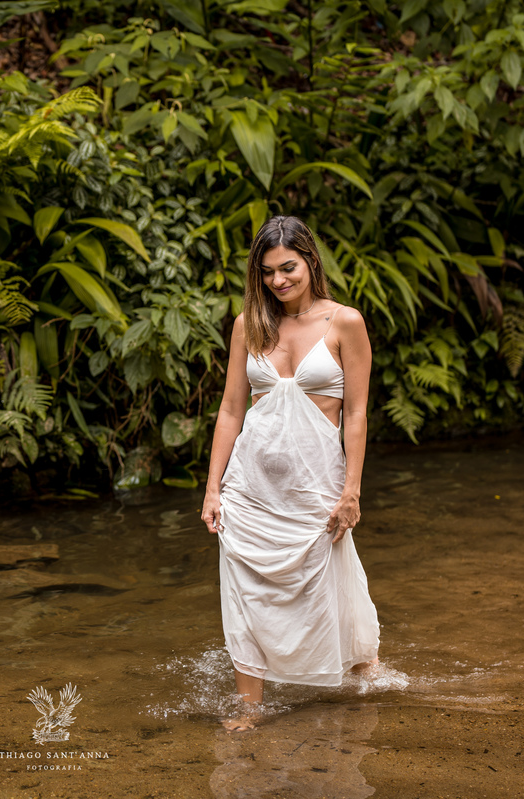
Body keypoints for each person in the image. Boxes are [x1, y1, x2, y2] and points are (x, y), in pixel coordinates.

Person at [200, 215, 380, 731]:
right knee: (244, 583)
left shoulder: (345, 323)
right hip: (251, 486)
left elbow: (357, 412)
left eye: (288, 268)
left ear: (310, 261)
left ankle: (366, 670)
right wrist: (214, 488)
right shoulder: (247, 326)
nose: (279, 281)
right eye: (268, 272)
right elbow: (232, 409)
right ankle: (249, 708)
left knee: (329, 574)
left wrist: (352, 490)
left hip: (315, 482)